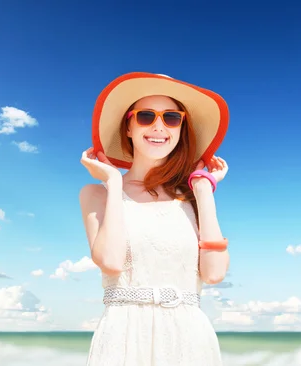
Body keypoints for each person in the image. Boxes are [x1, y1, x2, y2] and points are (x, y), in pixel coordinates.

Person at [79, 72, 230, 366]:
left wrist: (203, 190)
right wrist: (114, 182)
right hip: (123, 338)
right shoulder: (97, 194)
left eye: (172, 118)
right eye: (146, 116)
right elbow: (111, 261)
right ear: (128, 127)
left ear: (181, 127)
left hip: (189, 340)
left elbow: (213, 274)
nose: (159, 126)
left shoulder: (192, 197)